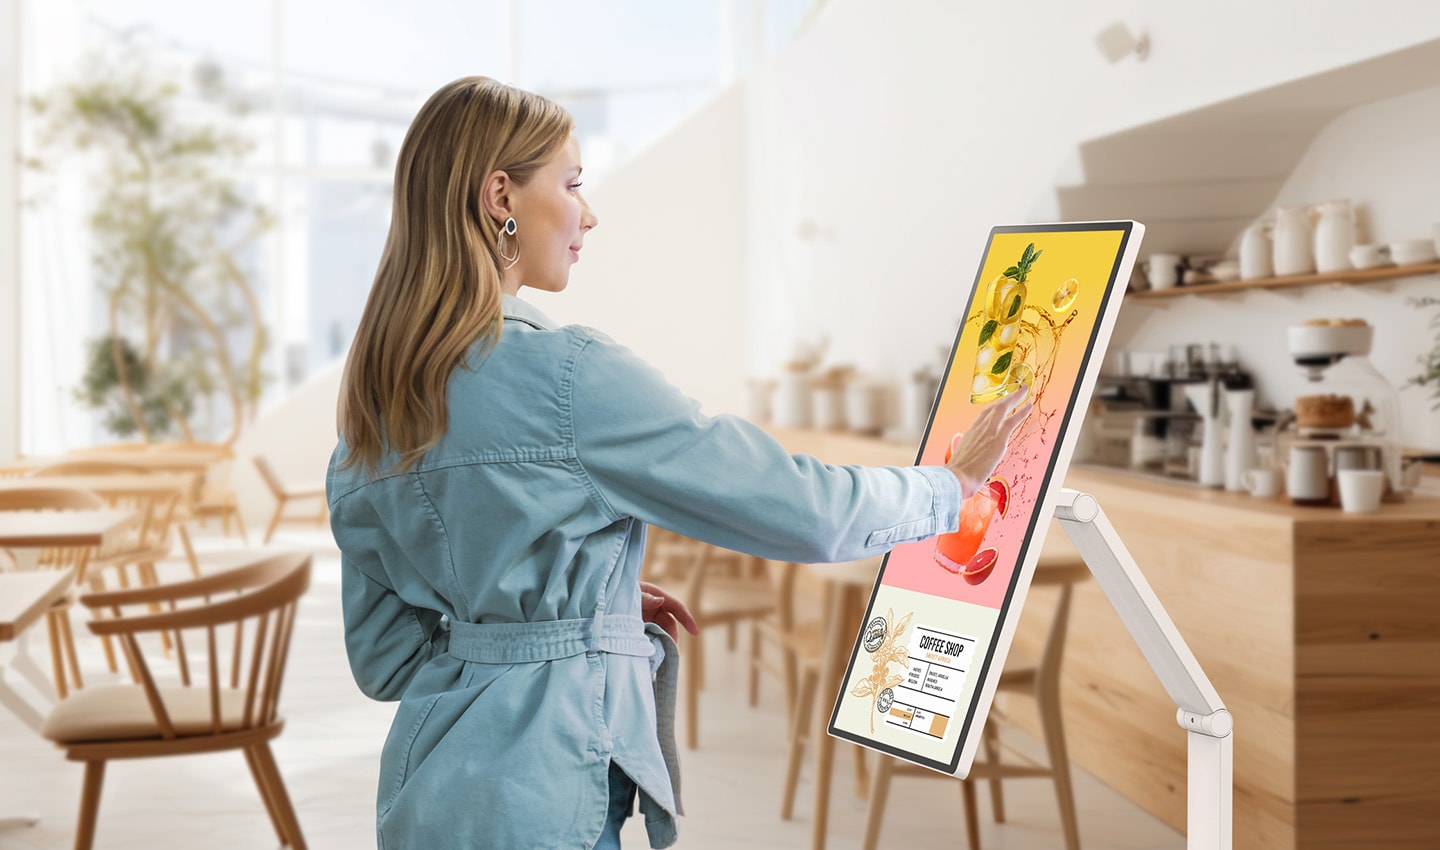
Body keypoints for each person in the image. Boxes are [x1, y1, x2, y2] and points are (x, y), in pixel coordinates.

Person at [328, 76, 1032, 850]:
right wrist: (951, 485)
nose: (588, 214)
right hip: (546, 795)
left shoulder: (371, 411)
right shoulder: (570, 378)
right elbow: (803, 508)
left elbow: (386, 662)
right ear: (501, 195)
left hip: (425, 798)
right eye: (572, 183)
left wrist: (574, 618)